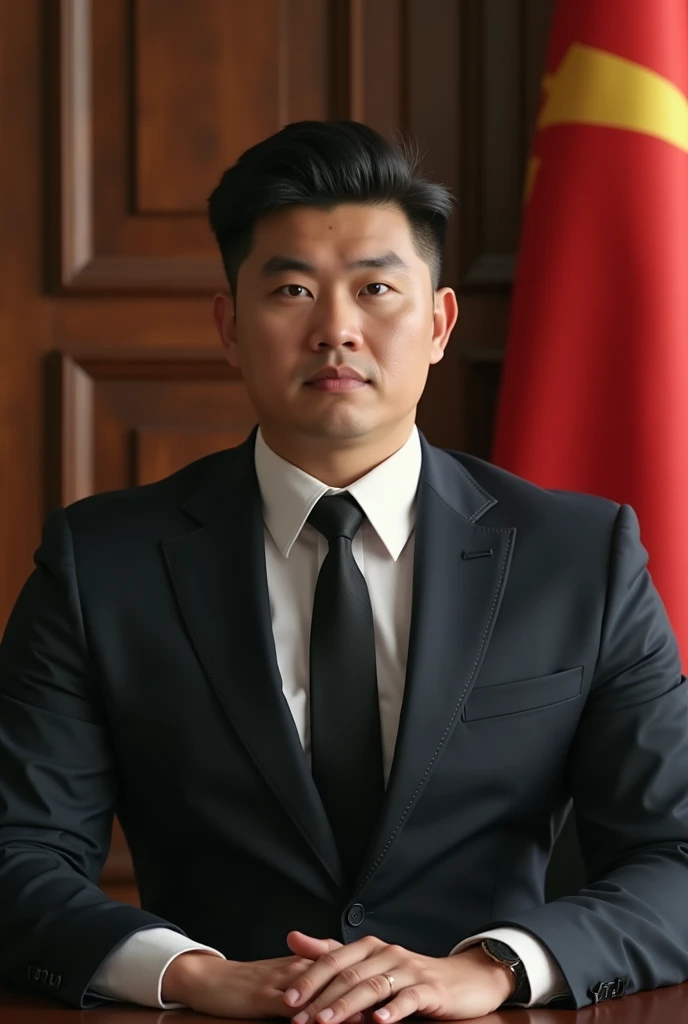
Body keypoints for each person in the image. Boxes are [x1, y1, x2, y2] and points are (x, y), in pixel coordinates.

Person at [1, 120, 688, 1021]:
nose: (336, 329)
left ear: (439, 324)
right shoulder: (103, 563)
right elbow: (18, 853)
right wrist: (198, 975)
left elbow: (675, 855)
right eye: (291, 288)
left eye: (376, 289)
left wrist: (490, 970)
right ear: (231, 325)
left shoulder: (580, 557)